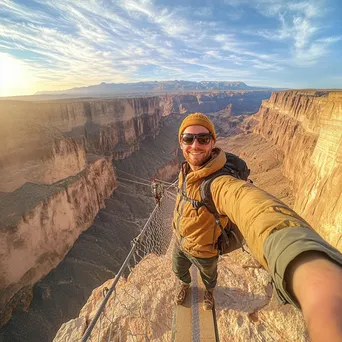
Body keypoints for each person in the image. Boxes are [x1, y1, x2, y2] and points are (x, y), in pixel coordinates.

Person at [172, 113, 342, 340]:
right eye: (188, 138)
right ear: (180, 142)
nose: (195, 145)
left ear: (213, 143)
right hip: (180, 242)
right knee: (179, 269)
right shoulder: (185, 171)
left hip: (205, 250)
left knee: (209, 277)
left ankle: (209, 292)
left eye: (203, 139)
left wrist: (297, 255)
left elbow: (252, 206)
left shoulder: (220, 183)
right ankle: (184, 283)